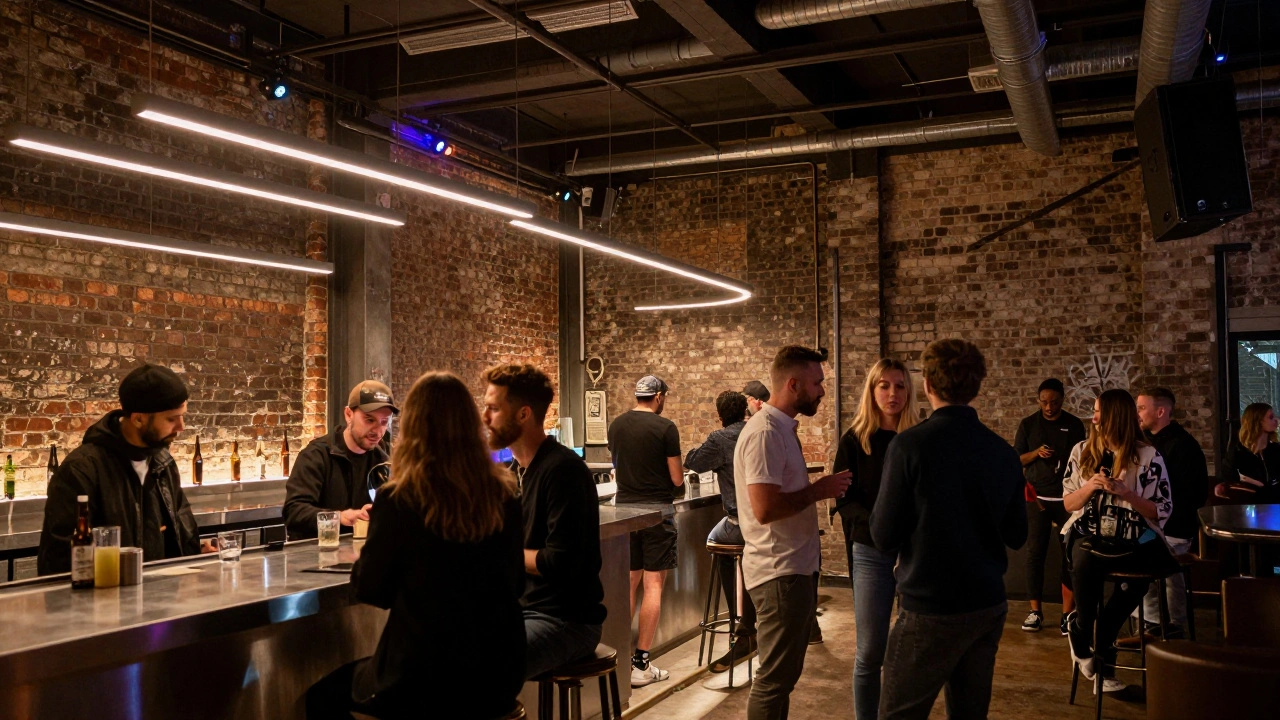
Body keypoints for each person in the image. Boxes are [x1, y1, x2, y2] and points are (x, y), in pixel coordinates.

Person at [305, 371, 525, 720]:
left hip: (423, 678)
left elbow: (371, 590)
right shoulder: (505, 494)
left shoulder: (399, 499)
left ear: (412, 427)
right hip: (499, 672)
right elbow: (516, 582)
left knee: (320, 698)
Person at [872, 339, 1026, 720]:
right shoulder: (1001, 451)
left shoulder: (910, 446)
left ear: (926, 385)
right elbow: (1018, 534)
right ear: (976, 387)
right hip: (987, 604)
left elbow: (883, 536)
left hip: (930, 606)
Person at [734, 345, 853, 720]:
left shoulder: (780, 429)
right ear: (793, 384)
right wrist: (820, 490)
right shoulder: (765, 433)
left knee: (782, 679)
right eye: (816, 382)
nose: (821, 390)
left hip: (791, 570)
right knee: (773, 681)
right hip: (778, 573)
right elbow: (765, 508)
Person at [481, 363, 607, 680]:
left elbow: (560, 562)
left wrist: (499, 552)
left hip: (566, 621)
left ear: (523, 414)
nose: (485, 418)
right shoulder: (510, 473)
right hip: (519, 611)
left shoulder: (563, 470)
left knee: (478, 668)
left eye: (493, 408)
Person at [39, 363, 211, 574]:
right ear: (138, 419)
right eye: (171, 419)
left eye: (183, 416)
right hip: (106, 603)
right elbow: (60, 562)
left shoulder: (163, 464)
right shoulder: (81, 471)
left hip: (161, 601)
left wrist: (198, 554)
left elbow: (178, 537)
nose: (181, 427)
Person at [1062, 389, 1174, 695]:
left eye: (1099, 412)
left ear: (1116, 416)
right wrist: (1092, 486)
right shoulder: (1083, 451)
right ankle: (1083, 628)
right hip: (1090, 537)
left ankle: (1100, 653)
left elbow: (1161, 511)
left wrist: (1128, 494)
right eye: (1094, 411)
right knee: (1084, 558)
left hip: (1134, 539)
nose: (1094, 418)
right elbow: (1069, 504)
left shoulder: (1149, 456)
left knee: (1137, 580)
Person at [832, 358, 916, 720]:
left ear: (909, 391)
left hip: (914, 552)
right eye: (884, 385)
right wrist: (880, 532)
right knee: (869, 652)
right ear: (871, 390)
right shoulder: (854, 440)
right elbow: (844, 500)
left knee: (910, 651)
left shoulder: (918, 439)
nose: (892, 393)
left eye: (899, 385)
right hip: (869, 552)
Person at [608, 374, 684, 686]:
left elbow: (617, 466)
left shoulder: (616, 426)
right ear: (658, 396)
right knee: (653, 586)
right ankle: (642, 664)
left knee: (628, 584)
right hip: (656, 512)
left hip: (624, 512)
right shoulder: (665, 428)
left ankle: (620, 660)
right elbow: (678, 478)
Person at [684, 390, 756, 672]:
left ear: (720, 415)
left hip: (740, 524)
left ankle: (740, 623)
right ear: (744, 411)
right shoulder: (755, 431)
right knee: (747, 559)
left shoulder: (720, 438)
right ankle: (749, 622)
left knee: (717, 542)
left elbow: (695, 462)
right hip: (765, 523)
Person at [1013, 378, 1086, 634]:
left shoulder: (1074, 425)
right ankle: (1035, 611)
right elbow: (1016, 459)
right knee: (1035, 553)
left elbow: (1083, 460)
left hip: (1067, 498)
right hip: (1036, 498)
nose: (1049, 407)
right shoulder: (1028, 425)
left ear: (1062, 400)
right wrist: (1036, 453)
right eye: (1044, 402)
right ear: (1038, 400)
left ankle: (1068, 614)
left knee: (1070, 555)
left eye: (1054, 402)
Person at [1134, 387, 1207, 639]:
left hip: (1173, 527)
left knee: (1169, 575)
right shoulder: (1146, 442)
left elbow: (1189, 494)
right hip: (1151, 525)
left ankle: (1172, 628)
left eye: (1142, 408)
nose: (1137, 413)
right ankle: (1152, 625)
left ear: (1161, 411)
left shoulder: (1182, 446)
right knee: (1137, 559)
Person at [284, 380, 397, 539]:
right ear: (348, 415)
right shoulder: (317, 455)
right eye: (369, 420)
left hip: (362, 554)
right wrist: (340, 517)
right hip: (317, 555)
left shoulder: (382, 460)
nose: (378, 432)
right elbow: (294, 511)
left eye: (384, 422)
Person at [1216, 402, 1280, 504]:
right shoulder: (1238, 450)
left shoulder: (1276, 450)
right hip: (1248, 507)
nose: (1276, 420)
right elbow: (1226, 477)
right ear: (1257, 421)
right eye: (1271, 417)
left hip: (1274, 507)